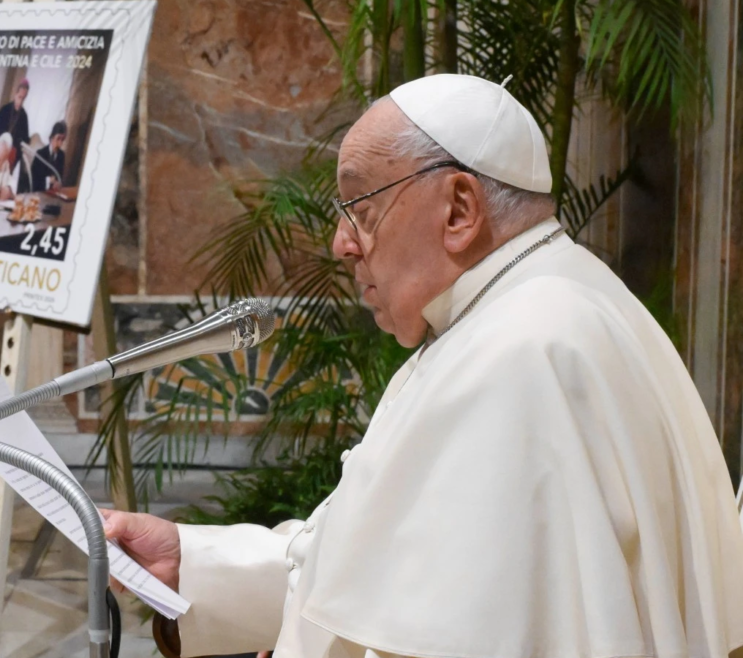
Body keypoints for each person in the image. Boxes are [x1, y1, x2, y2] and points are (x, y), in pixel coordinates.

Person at [101, 74, 743, 658]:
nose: (341, 243)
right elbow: (374, 568)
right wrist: (191, 563)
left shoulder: (521, 353)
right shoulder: (553, 298)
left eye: (362, 207)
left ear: (460, 210)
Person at [0, 78, 31, 190]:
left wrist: (14, 148)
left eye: (23, 98)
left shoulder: (24, 116)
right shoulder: (5, 109)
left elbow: (25, 140)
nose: (21, 101)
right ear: (15, 94)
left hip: (12, 157)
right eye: (19, 97)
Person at [30, 120, 66, 193]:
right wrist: (48, 180)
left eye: (62, 140)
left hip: (54, 194)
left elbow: (59, 177)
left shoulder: (61, 156)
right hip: (39, 194)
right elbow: (33, 181)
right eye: (58, 139)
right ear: (52, 137)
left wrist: (58, 184)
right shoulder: (40, 154)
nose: (60, 144)